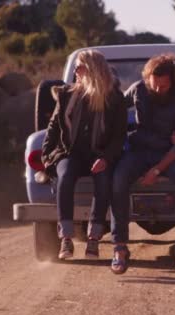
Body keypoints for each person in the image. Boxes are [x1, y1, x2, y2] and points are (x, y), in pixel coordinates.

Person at [110, 53, 175, 274]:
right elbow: (115, 108)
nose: (158, 90)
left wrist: (157, 170)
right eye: (154, 85)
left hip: (169, 153)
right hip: (139, 150)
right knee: (118, 178)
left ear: (173, 81)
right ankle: (119, 246)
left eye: (164, 86)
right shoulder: (138, 89)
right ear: (147, 78)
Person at [41, 49, 128, 260]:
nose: (76, 72)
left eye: (80, 67)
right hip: (70, 152)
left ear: (93, 70)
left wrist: (106, 158)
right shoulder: (67, 94)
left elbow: (119, 137)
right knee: (65, 175)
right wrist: (46, 157)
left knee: (104, 178)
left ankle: (93, 239)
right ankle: (66, 238)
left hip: (99, 154)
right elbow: (52, 129)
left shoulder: (114, 98)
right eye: (77, 67)